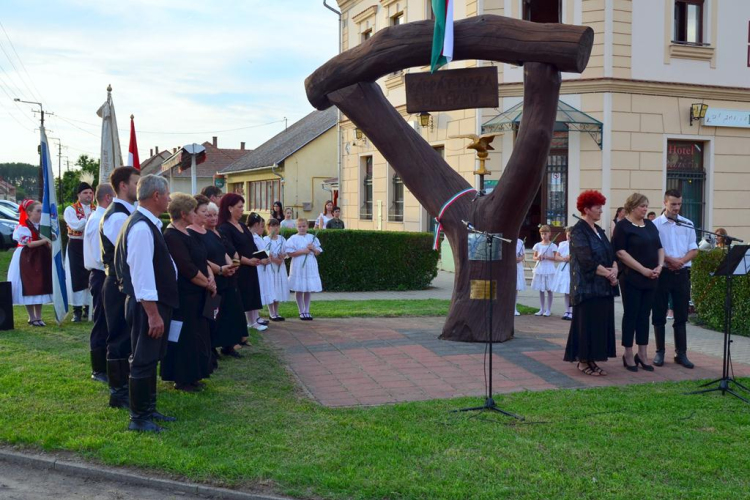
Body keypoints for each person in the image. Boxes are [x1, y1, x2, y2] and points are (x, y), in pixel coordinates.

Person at [114, 174, 177, 433]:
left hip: (153, 304)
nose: (170, 199)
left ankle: (148, 409)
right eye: (168, 194)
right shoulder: (141, 227)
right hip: (147, 306)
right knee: (142, 359)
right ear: (156, 196)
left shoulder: (146, 223)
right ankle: (139, 418)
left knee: (150, 359)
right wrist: (153, 314)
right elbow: (142, 275)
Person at [161, 193, 215, 392]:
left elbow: (202, 259)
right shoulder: (172, 236)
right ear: (184, 214)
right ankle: (182, 378)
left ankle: (194, 375)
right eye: (193, 210)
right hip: (185, 295)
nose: (196, 213)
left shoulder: (188, 233)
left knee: (197, 336)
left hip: (198, 293)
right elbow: (187, 267)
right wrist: (207, 283)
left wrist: (210, 276)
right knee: (185, 337)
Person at [563, 191, 619, 376]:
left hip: (602, 287)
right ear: (586, 209)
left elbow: (610, 253)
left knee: (599, 325)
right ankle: (583, 361)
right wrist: (609, 274)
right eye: (597, 208)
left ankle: (593, 359)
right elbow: (586, 260)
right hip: (586, 287)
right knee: (586, 325)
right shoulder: (578, 231)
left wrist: (615, 269)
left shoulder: (599, 231)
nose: (601, 211)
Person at [101, 166, 140, 410]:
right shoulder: (116, 216)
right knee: (118, 336)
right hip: (117, 282)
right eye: (137, 182)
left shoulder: (128, 211)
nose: (139, 187)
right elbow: (125, 254)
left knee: (128, 336)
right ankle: (118, 393)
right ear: (124, 185)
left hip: (125, 281)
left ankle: (128, 386)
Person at [612, 192, 664, 373]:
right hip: (632, 278)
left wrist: (660, 266)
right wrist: (643, 270)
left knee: (645, 315)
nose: (645, 209)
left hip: (652, 277)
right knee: (631, 314)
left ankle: (642, 353)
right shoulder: (623, 227)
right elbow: (620, 253)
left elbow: (659, 247)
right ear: (632, 207)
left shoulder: (649, 225)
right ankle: (627, 353)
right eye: (642, 206)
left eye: (646, 206)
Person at [652, 189, 699, 369]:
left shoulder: (687, 224)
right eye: (673, 204)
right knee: (659, 314)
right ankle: (659, 352)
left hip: (681, 274)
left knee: (681, 315)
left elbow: (694, 249)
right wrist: (669, 260)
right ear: (665, 203)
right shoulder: (655, 225)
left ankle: (681, 353)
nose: (676, 208)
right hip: (663, 274)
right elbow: (654, 249)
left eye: (679, 204)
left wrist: (681, 261)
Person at [195, 201, 246, 358]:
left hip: (229, 278)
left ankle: (229, 345)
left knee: (230, 312)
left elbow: (227, 252)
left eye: (215, 215)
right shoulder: (200, 234)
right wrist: (220, 269)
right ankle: (211, 348)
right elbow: (202, 258)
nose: (212, 218)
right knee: (213, 315)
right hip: (215, 279)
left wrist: (232, 265)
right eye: (208, 215)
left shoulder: (220, 233)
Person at [217, 194, 265, 332]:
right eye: (240, 207)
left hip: (251, 266)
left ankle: (252, 320)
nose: (242, 210)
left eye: (243, 206)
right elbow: (231, 250)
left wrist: (257, 257)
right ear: (230, 208)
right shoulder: (224, 228)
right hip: (239, 268)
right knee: (241, 298)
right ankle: (242, 326)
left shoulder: (243, 226)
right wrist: (247, 261)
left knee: (252, 294)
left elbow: (250, 244)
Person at [83, 184, 114, 383]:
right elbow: (98, 254)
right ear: (108, 198)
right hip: (101, 274)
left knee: (108, 320)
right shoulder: (98, 220)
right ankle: (98, 368)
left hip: (104, 274)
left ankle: (107, 364)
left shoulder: (100, 217)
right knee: (102, 321)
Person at [9, 200, 52, 326]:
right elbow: (29, 244)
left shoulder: (41, 227)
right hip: (26, 257)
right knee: (28, 285)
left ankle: (38, 316)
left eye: (41, 211)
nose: (40, 214)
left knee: (39, 285)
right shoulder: (23, 227)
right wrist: (45, 241)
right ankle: (31, 317)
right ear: (29, 212)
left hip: (39, 257)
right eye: (38, 211)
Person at [64, 182, 95, 322]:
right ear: (78, 195)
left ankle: (89, 307)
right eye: (85, 193)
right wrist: (88, 219)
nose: (88, 195)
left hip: (91, 244)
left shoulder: (97, 208)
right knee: (76, 276)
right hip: (76, 244)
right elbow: (75, 225)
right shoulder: (70, 210)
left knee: (91, 275)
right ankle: (77, 309)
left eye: (90, 193)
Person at [286, 218, 322, 320]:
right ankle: (301, 311)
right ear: (296, 227)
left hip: (310, 265)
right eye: (299, 226)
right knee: (299, 288)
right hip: (298, 265)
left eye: (304, 226)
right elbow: (289, 253)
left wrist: (313, 248)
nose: (302, 228)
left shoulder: (312, 238)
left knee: (307, 288)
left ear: (308, 226)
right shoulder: (293, 238)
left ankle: (307, 310)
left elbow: (318, 252)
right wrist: (303, 251)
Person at [264, 217, 290, 321]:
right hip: (271, 267)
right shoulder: (265, 239)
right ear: (268, 228)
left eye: (277, 226)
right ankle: (271, 313)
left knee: (278, 287)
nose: (275, 228)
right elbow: (265, 253)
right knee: (272, 287)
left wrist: (282, 256)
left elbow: (287, 251)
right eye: (272, 226)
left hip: (280, 266)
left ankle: (276, 312)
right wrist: (275, 259)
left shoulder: (282, 239)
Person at [249, 214, 273, 325]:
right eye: (261, 226)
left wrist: (267, 257)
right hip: (256, 267)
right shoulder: (250, 236)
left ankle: (257, 316)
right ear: (256, 224)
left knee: (260, 291)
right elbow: (250, 253)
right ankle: (253, 319)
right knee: (255, 291)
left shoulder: (258, 237)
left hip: (262, 267)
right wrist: (261, 260)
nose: (262, 229)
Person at [531, 225, 557, 317]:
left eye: (545, 234)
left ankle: (548, 309)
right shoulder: (537, 245)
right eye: (542, 234)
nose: (543, 236)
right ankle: (542, 309)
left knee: (549, 289)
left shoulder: (553, 245)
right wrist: (538, 257)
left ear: (549, 234)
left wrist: (547, 257)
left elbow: (555, 257)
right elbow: (534, 257)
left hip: (549, 268)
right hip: (540, 268)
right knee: (541, 290)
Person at [552, 227, 573, 320]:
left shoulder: (577, 245)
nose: (569, 237)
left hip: (572, 269)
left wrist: (571, 258)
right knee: (566, 291)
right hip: (564, 268)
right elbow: (556, 257)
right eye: (568, 235)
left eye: (571, 235)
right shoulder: (562, 244)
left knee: (571, 290)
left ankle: (572, 311)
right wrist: (564, 259)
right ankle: (566, 310)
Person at [514, 239, 526, 316]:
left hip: (518, 266)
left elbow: (523, 255)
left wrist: (520, 258)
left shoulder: (520, 242)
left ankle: (514, 308)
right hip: (509, 266)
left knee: (516, 288)